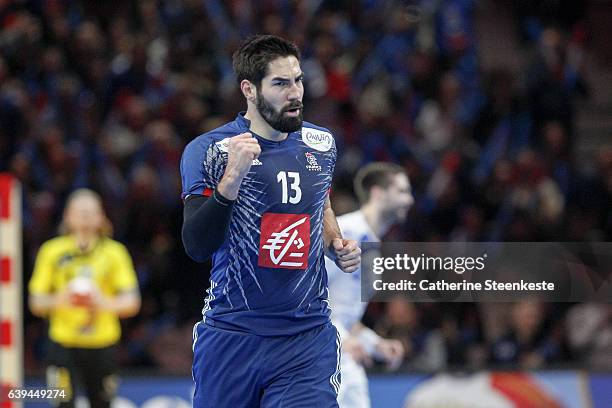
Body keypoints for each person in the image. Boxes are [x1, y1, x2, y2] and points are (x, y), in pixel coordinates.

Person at [181, 34, 361, 407]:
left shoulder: (321, 144)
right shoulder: (211, 150)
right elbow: (196, 246)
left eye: (297, 80)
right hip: (233, 335)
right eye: (280, 83)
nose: (295, 92)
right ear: (249, 89)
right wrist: (231, 180)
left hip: (306, 337)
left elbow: (320, 204)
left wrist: (335, 243)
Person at [28, 189, 141, 408]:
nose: (86, 218)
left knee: (102, 404)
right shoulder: (52, 251)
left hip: (102, 344)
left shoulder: (115, 253)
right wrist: (60, 299)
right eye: (80, 213)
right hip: (63, 344)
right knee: (62, 403)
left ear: (101, 217)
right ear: (67, 217)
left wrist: (102, 302)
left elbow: (132, 302)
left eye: (91, 213)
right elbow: (35, 302)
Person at [325, 162, 414, 408]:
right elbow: (308, 294)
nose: (410, 200)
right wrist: (340, 339)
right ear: (378, 193)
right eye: (402, 191)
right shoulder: (344, 231)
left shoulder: (373, 246)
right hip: (320, 357)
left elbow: (344, 314)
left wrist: (375, 344)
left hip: (345, 358)